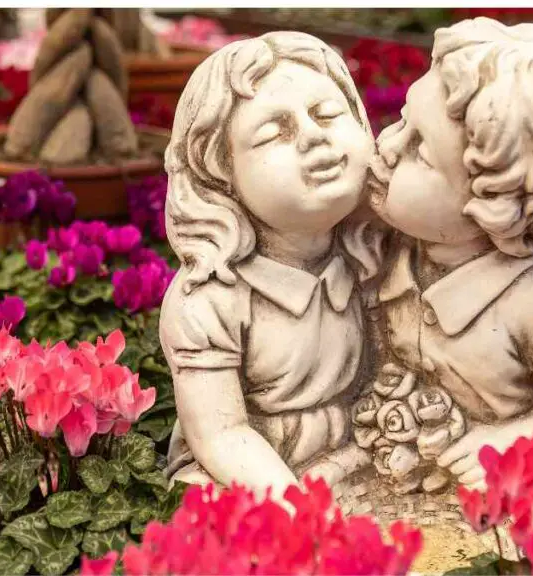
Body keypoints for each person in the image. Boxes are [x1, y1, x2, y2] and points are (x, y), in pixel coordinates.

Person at [369, 17, 533, 489]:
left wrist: (515, 441)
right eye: (403, 120)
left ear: (494, 205)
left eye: (421, 152)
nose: (386, 146)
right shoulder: (385, 248)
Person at [159, 31, 385, 502]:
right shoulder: (209, 299)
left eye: (326, 114)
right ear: (220, 176)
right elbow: (219, 436)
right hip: (249, 470)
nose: (314, 136)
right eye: (274, 132)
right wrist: (293, 505)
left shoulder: (369, 255)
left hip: (355, 451)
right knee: (202, 503)